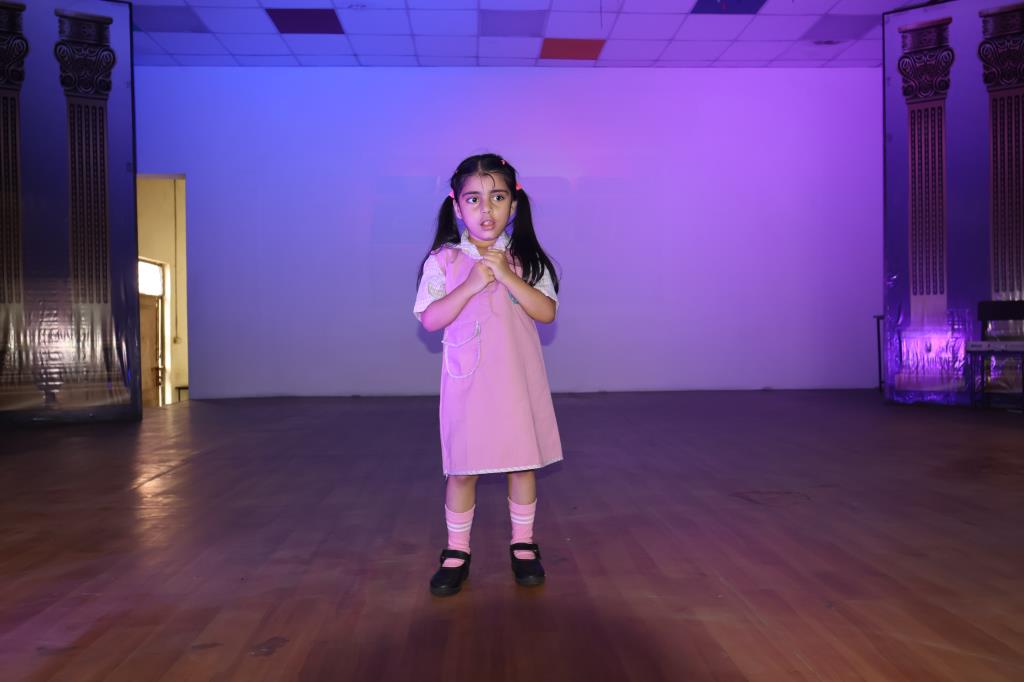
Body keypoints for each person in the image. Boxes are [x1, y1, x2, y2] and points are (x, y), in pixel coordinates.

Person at [414, 153, 563, 597]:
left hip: (516, 381)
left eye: (497, 198)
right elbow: (430, 319)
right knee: (463, 469)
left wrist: (505, 275)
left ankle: (523, 544)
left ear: (513, 204)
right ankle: (457, 551)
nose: (486, 209)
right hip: (468, 383)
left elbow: (546, 312)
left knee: (521, 462)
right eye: (474, 199)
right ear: (457, 206)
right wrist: (472, 284)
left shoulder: (527, 259)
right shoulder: (443, 261)